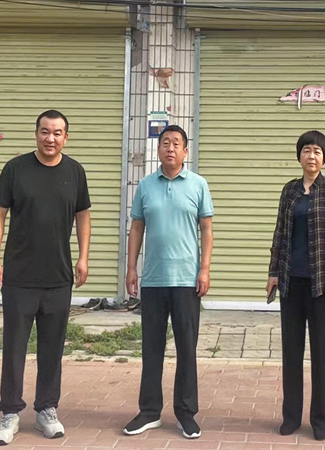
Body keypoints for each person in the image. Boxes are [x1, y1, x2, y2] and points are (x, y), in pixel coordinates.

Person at [0, 110, 91, 446]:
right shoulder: (15, 169)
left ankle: (47, 409)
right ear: (36, 133)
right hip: (19, 276)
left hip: (59, 276)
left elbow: (83, 216)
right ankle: (10, 413)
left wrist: (84, 257)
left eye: (57, 133)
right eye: (45, 131)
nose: (51, 138)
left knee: (52, 348)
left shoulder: (75, 172)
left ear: (66, 138)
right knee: (14, 348)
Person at [124, 125, 214, 439]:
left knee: (186, 348)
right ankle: (149, 411)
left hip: (187, 280)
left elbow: (206, 229)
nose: (170, 148)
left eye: (177, 143)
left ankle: (186, 413)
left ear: (185, 151)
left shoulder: (198, 184)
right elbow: (137, 228)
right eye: (165, 143)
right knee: (152, 347)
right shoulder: (146, 185)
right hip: (153, 279)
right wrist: (131, 268)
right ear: (159, 149)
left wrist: (204, 270)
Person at [267, 130, 325, 441]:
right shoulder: (289, 191)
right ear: (299, 155)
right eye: (306, 150)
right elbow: (279, 233)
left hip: (322, 285)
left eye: (317, 151)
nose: (311, 156)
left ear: (323, 157)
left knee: (321, 354)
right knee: (291, 353)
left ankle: (320, 421)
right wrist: (273, 272)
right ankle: (291, 417)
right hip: (291, 282)